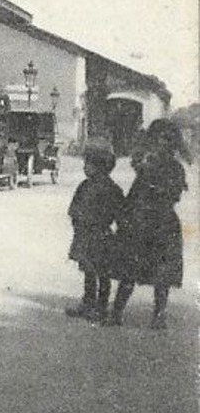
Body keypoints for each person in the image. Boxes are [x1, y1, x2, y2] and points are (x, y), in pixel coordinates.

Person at [104, 119, 189, 329]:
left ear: (173, 144)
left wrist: (150, 181)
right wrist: (125, 215)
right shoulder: (146, 166)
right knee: (129, 270)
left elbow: (173, 195)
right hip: (139, 222)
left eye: (167, 140)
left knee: (162, 274)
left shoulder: (175, 169)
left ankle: (159, 315)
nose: (162, 144)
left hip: (162, 224)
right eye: (158, 139)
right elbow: (134, 195)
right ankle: (117, 312)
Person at [65, 144, 121, 321]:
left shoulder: (111, 189)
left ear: (100, 167)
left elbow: (119, 212)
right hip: (85, 233)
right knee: (89, 270)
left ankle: (101, 306)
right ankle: (88, 302)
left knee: (103, 273)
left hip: (100, 235)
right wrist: (77, 220)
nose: (84, 167)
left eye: (88, 164)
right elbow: (74, 207)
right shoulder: (85, 185)